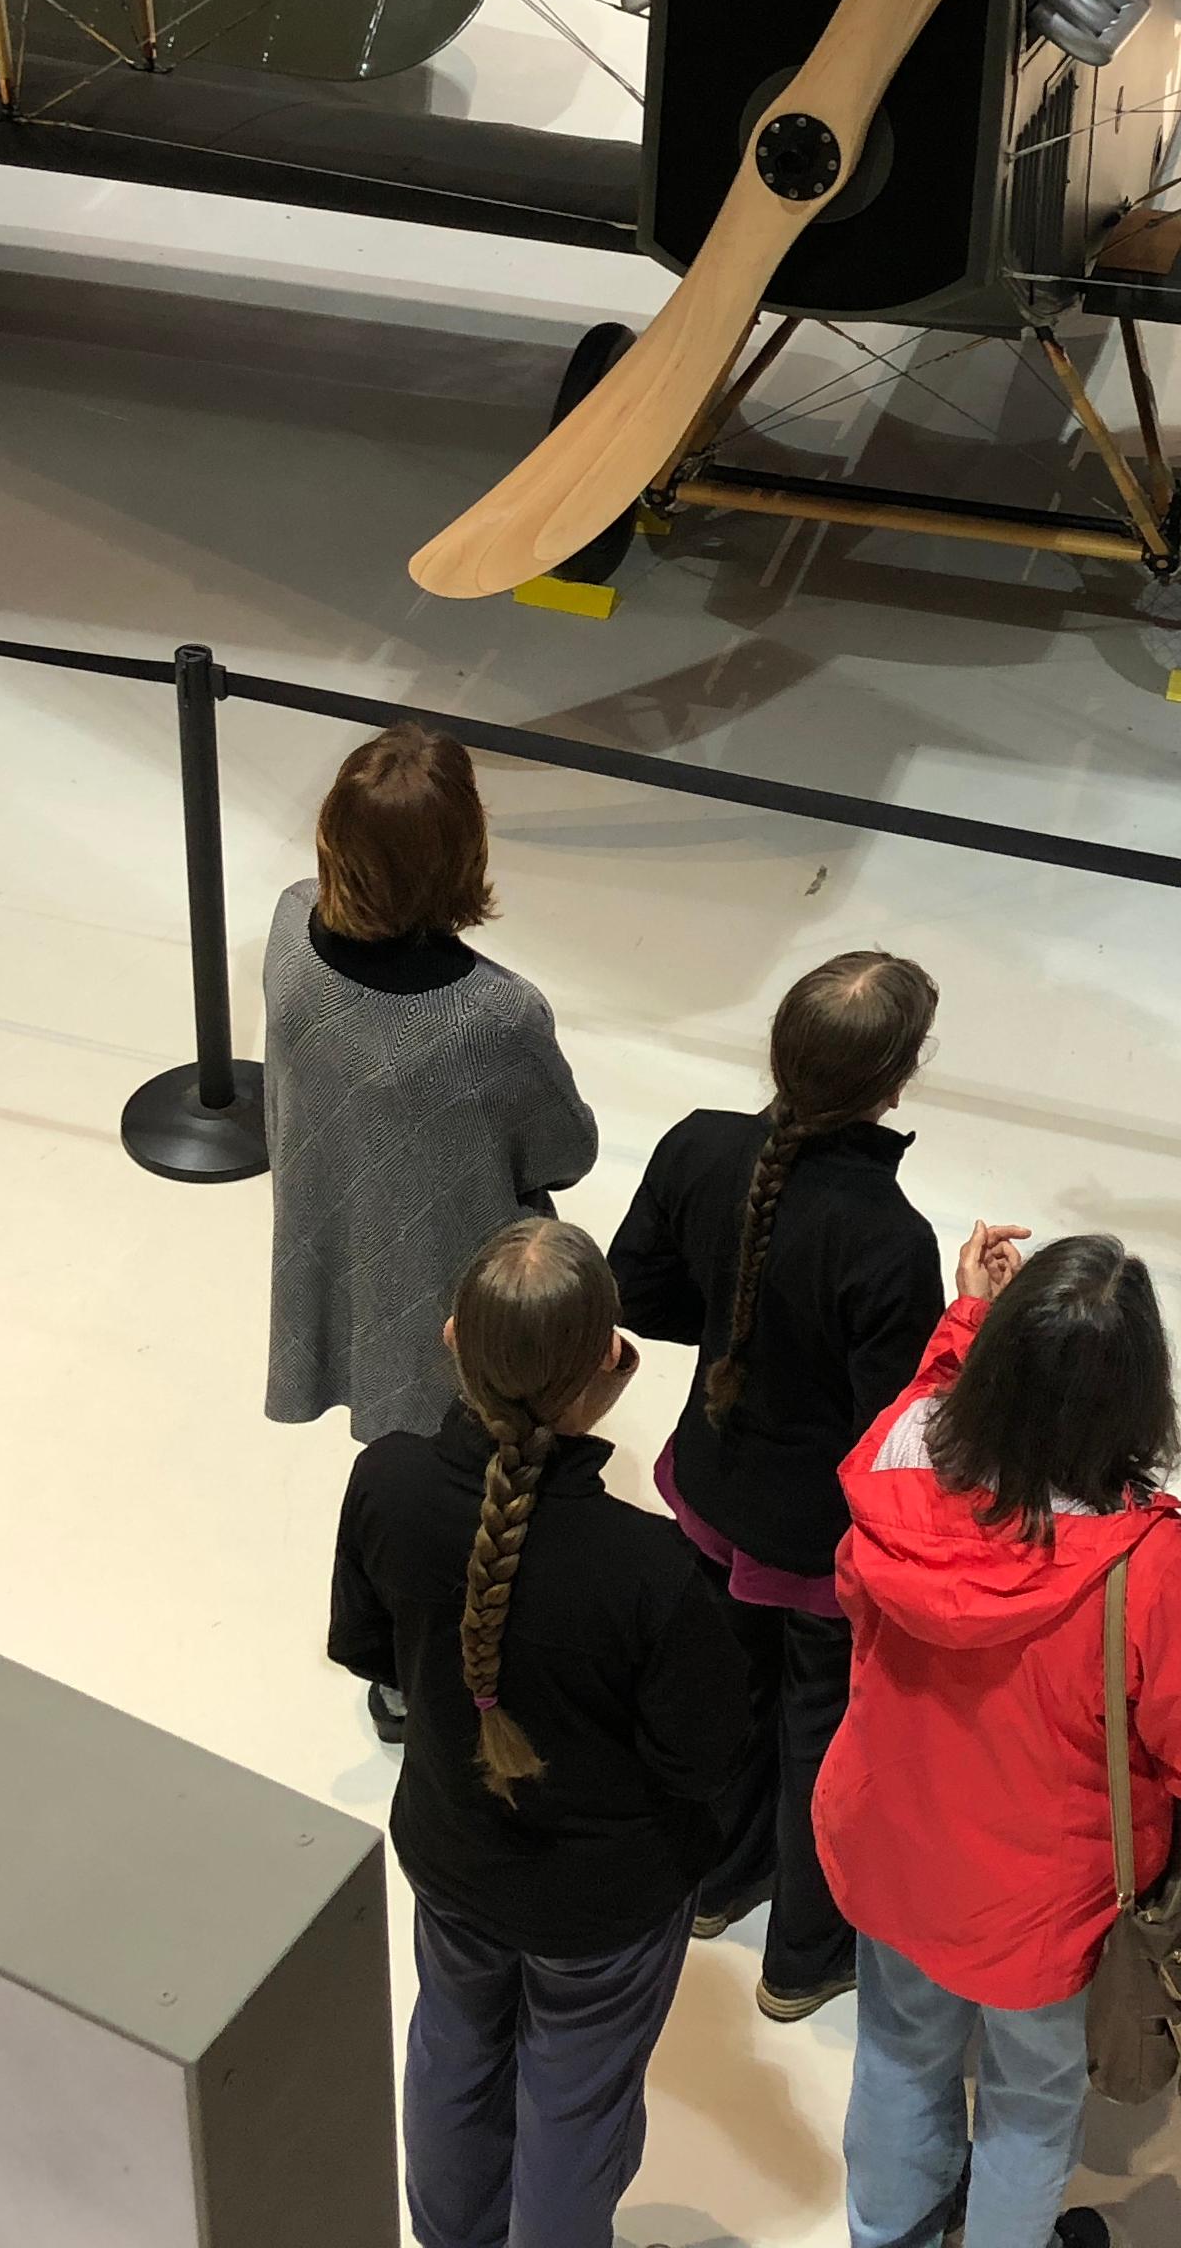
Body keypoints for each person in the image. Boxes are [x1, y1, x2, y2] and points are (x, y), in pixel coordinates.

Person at [817, 1231, 1181, 2248]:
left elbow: (928, 1426)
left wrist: (968, 1317)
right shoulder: (1147, 1569)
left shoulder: (896, 1465)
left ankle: (887, 2232)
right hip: (1047, 1914)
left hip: (889, 1849)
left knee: (898, 2054)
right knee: (1030, 2100)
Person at [328, 1219, 751, 2248]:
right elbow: (701, 1760)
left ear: (450, 1338)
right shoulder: (653, 1571)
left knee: (453, 2050)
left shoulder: (387, 1481)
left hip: (451, 1853)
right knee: (575, 2103)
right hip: (602, 1905)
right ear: (608, 1363)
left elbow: (371, 1650)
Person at [610, 949, 948, 2024]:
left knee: (729, 1693)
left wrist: (732, 1333)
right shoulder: (891, 1240)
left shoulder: (698, 1145)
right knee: (820, 1734)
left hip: (710, 1491)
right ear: (898, 1080)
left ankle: (716, 1882)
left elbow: (635, 1290)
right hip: (820, 1547)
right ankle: (803, 1956)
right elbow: (891, 1433)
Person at [269, 726, 598, 1737]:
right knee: (474, 1482)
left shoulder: (287, 932)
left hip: (340, 1244)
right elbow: (565, 1152)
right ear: (466, 852)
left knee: (399, 1477)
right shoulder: (495, 1016)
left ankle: (399, 1674)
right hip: (461, 1286)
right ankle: (474, 1657)